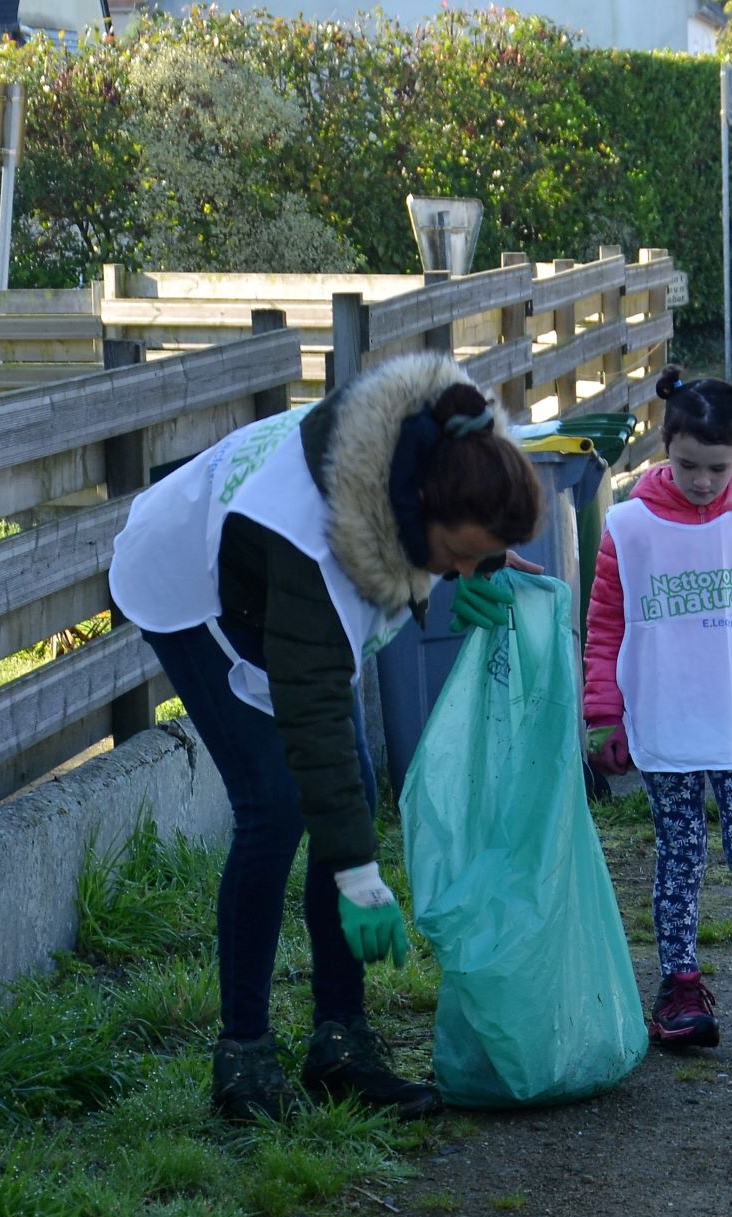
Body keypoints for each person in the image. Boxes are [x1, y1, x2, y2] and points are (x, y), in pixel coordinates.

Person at [109, 353, 544, 1122]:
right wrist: (358, 877)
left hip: (269, 559)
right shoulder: (313, 547)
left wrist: (483, 566)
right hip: (191, 578)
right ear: (417, 510)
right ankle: (243, 1059)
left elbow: (460, 520)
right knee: (276, 808)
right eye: (458, 556)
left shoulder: (443, 446)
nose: (463, 572)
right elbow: (313, 727)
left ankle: (340, 1043)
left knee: (352, 789)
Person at [583, 365, 732, 1052]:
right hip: (664, 717)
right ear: (663, 443)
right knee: (678, 855)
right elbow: (605, 624)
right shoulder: (627, 527)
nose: (703, 481)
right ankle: (680, 987)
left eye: (718, 466)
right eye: (687, 465)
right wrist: (603, 713)